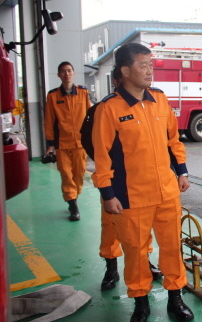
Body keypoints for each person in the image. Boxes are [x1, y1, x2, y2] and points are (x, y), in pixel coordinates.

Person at [92, 43, 193, 322]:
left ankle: (176, 298)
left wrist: (182, 172)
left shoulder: (159, 99)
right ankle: (140, 302)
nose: (150, 71)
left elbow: (173, 140)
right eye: (143, 65)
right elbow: (102, 156)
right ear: (125, 71)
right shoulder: (109, 109)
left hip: (167, 192)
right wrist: (108, 193)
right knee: (135, 253)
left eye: (151, 65)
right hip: (132, 196)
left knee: (172, 247)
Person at [80, 67, 162, 291]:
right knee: (110, 226)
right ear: (117, 81)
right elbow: (88, 141)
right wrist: (109, 170)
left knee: (141, 228)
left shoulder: (145, 104)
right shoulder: (102, 109)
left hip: (136, 184)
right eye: (117, 81)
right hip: (112, 181)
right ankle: (111, 267)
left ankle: (145, 262)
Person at [44, 61, 91, 221]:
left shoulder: (83, 93)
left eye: (69, 70)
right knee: (66, 174)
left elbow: (90, 117)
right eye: (63, 71)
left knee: (79, 174)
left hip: (80, 143)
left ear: (73, 73)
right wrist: (51, 144)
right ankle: (73, 205)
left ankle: (74, 197)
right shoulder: (53, 96)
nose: (66, 74)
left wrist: (91, 138)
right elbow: (49, 120)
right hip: (62, 143)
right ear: (59, 75)